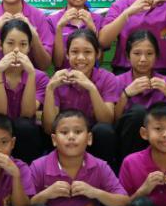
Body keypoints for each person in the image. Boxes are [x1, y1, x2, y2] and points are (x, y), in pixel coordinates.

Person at [43, 29, 121, 171]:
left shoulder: (108, 78)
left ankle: (103, 174)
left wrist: (91, 87)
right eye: (74, 52)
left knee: (104, 130)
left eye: (87, 52)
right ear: (67, 54)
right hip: (65, 138)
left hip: (95, 140)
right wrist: (49, 89)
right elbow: (49, 128)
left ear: (97, 54)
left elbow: (107, 121)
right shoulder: (58, 79)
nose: (80, 57)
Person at [0, 19, 49, 164]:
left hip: (27, 134)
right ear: (0, 45)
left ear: (29, 47)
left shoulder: (40, 77)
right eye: (10, 43)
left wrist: (31, 74)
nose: (16, 50)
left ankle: (28, 172)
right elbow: (0, 112)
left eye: (23, 44)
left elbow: (27, 114)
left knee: (24, 125)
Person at [114, 30, 166, 160]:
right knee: (138, 112)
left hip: (161, 138)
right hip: (126, 141)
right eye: (137, 53)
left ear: (157, 56)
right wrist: (125, 94)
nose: (143, 59)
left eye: (149, 54)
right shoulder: (117, 81)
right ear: (128, 56)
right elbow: (114, 120)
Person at [50, 0, 105, 69]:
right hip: (64, 76)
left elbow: (99, 60)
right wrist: (59, 28)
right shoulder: (53, 20)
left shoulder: (98, 19)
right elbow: (57, 63)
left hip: (90, 76)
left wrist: (92, 28)